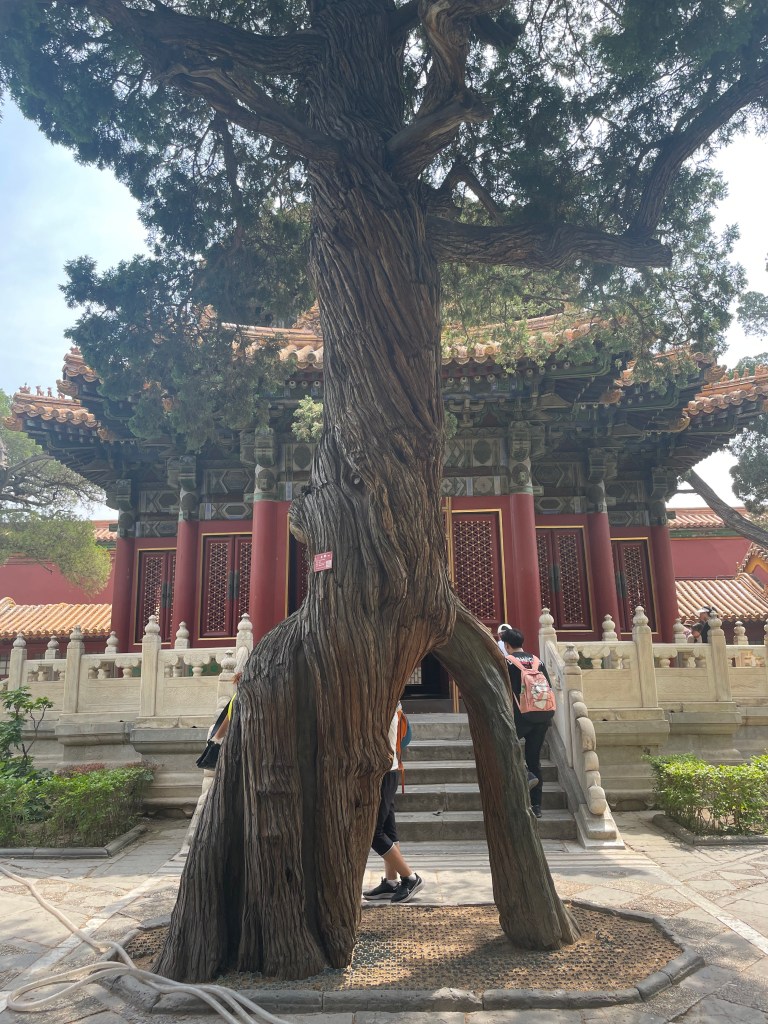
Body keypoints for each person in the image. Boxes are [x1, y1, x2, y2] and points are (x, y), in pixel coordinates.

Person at [363, 703, 424, 903]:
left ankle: (410, 878)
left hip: (385, 772)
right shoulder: (389, 702)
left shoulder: (384, 703)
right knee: (388, 831)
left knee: (374, 832)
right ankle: (391, 882)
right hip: (389, 770)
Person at [500, 626, 555, 819]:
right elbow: (548, 686)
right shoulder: (537, 661)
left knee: (505, 747)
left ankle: (524, 775)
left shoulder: (507, 662)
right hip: (541, 716)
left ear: (507, 645)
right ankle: (536, 806)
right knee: (534, 760)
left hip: (520, 717)